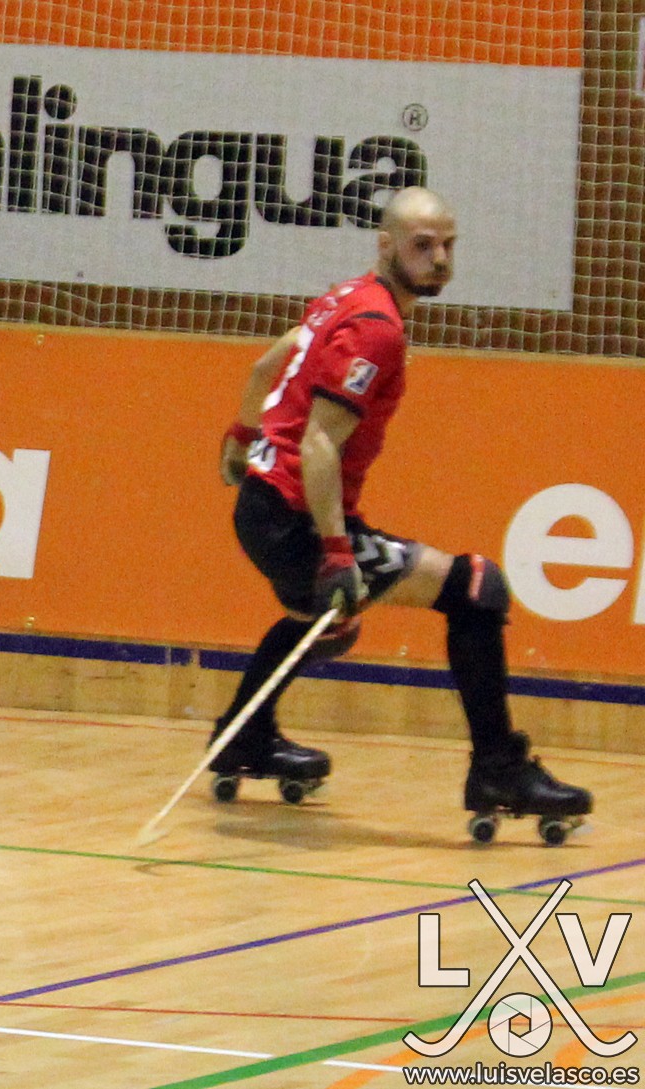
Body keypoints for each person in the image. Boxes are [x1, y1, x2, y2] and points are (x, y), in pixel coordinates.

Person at [212, 186, 591, 836]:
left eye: (448, 245)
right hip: (296, 520)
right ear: (386, 244)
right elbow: (320, 440)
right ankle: (498, 769)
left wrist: (243, 437)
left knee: (327, 623)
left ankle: (242, 738)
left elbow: (265, 365)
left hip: (263, 507)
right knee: (477, 588)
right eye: (422, 245)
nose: (439, 258)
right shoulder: (378, 329)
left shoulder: (347, 297)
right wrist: (337, 552)